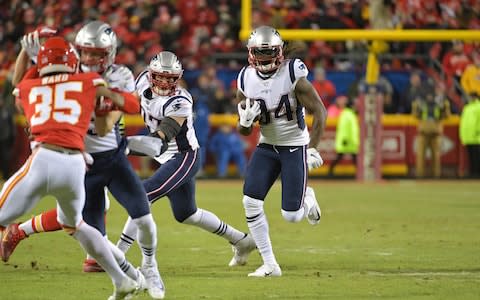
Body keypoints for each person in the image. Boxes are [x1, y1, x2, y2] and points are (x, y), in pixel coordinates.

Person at [1, 22, 165, 299]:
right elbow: (131, 104)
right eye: (85, 53)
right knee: (78, 227)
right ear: (77, 54)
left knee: (132, 217)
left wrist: (25, 57)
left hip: (90, 156)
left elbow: (19, 89)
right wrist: (107, 100)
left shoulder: (83, 77)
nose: (90, 59)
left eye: (96, 53)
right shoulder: (86, 80)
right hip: (79, 162)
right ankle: (128, 278)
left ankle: (148, 267)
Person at [115, 51, 257, 269]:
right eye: (159, 77)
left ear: (178, 78)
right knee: (186, 213)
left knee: (143, 194)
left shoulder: (181, 100)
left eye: (169, 78)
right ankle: (242, 240)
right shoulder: (142, 80)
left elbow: (160, 138)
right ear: (150, 75)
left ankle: (117, 255)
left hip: (184, 156)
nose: (163, 82)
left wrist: (120, 146)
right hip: (165, 158)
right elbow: (124, 102)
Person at [235, 26, 327, 277]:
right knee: (250, 201)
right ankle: (270, 264)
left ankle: (307, 195)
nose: (265, 59)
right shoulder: (245, 78)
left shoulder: (292, 71)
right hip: (266, 145)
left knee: (292, 216)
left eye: (270, 53)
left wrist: (313, 148)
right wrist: (244, 124)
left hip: (294, 145)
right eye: (260, 54)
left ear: (280, 51)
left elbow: (320, 111)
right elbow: (242, 130)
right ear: (251, 53)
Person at [411, 83, 451, 178]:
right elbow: (415, 114)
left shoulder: (441, 101)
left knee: (435, 156)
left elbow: (447, 115)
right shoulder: (421, 101)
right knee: (422, 156)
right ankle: (420, 175)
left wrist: (444, 107)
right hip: (424, 132)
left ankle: (435, 176)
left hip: (434, 132)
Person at [328, 96, 359, 177]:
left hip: (350, 141)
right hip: (347, 141)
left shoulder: (348, 114)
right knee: (341, 157)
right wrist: (345, 139)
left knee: (353, 158)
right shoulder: (348, 114)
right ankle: (330, 172)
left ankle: (330, 172)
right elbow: (344, 128)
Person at [459, 95, 480, 178]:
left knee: (477, 157)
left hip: (477, 137)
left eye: (472, 97)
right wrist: (463, 136)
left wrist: (478, 132)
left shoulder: (478, 107)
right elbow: (464, 123)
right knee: (471, 157)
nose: (470, 98)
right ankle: (473, 173)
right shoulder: (467, 107)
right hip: (468, 137)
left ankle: (477, 173)